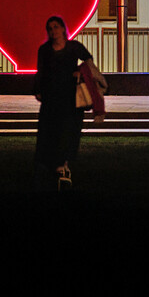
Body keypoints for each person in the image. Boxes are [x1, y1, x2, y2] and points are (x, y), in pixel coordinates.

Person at [33, 16, 106, 190]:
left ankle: (62, 166)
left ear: (63, 28)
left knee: (68, 131)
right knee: (52, 132)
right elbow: (41, 71)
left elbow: (88, 60)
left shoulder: (74, 47)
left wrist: (81, 73)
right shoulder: (45, 50)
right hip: (52, 98)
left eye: (56, 27)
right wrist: (38, 90)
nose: (53, 31)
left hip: (70, 97)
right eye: (50, 28)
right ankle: (58, 167)